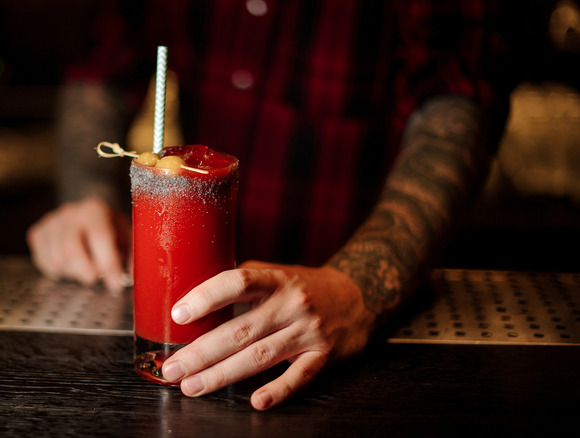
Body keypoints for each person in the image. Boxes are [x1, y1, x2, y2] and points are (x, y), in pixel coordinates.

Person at [27, 0, 513, 410]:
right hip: (176, 303)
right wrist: (87, 196)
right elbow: (104, 60)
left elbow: (458, 96)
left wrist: (359, 282)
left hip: (338, 312)